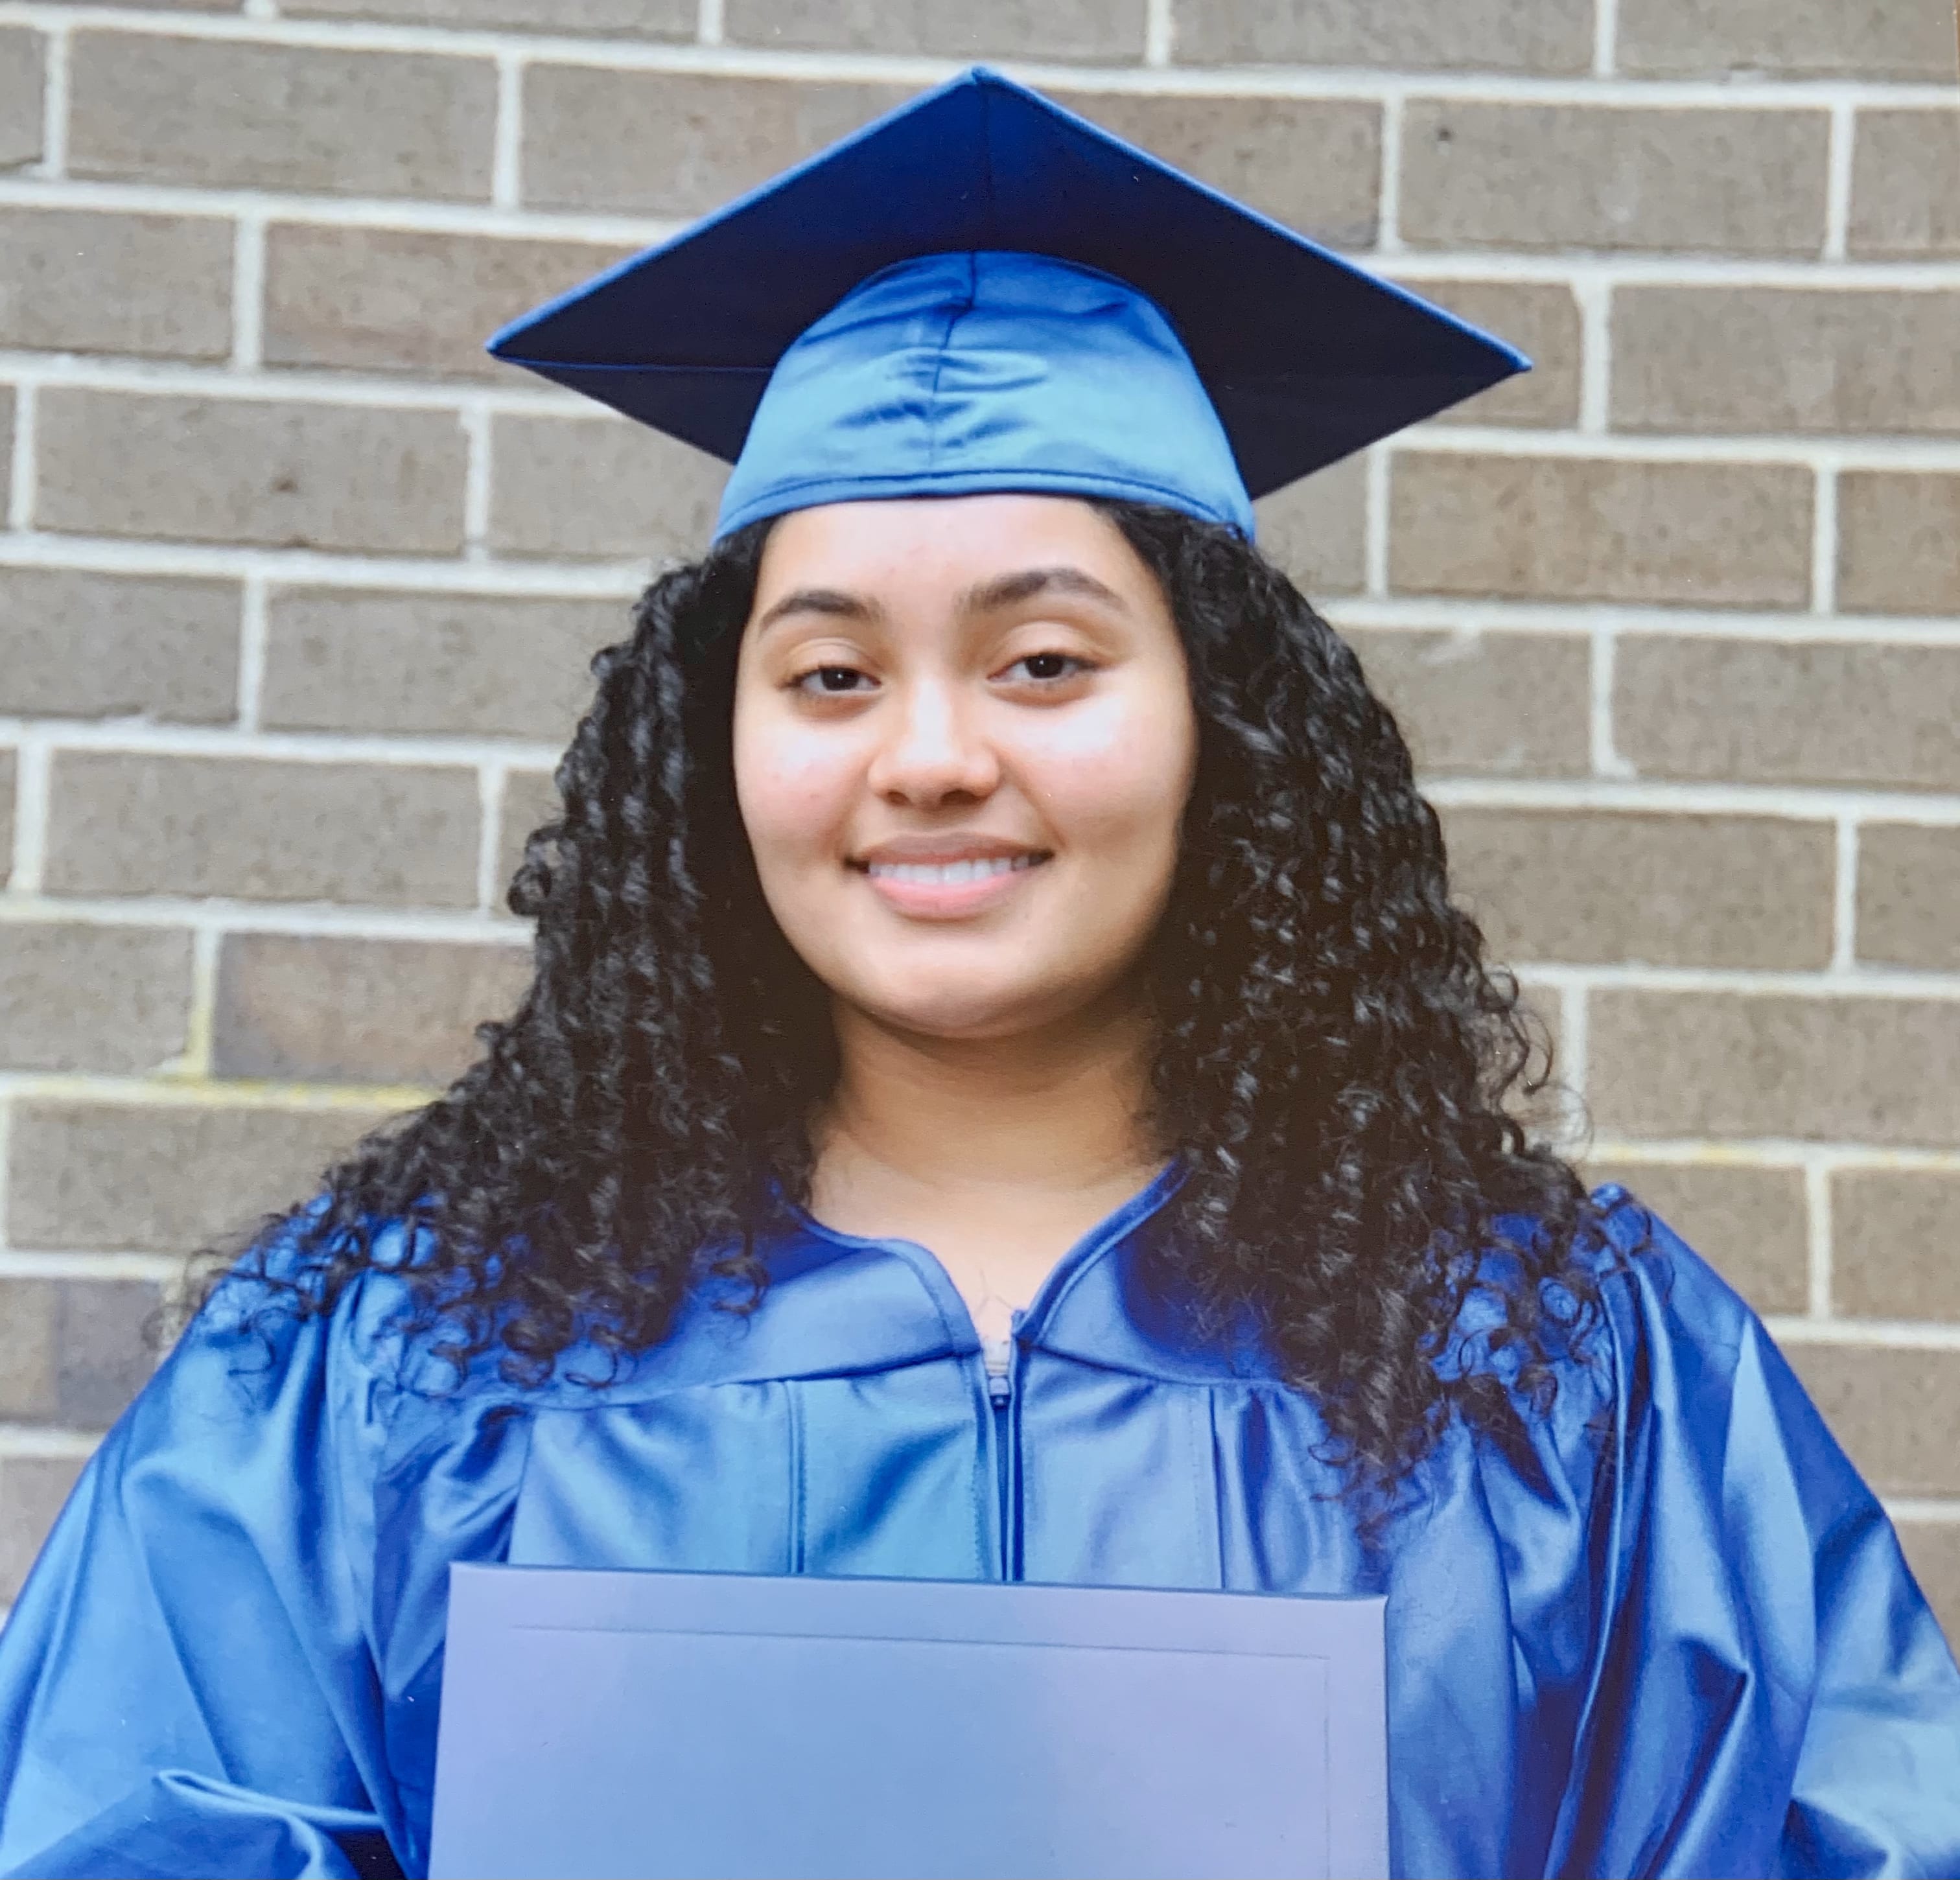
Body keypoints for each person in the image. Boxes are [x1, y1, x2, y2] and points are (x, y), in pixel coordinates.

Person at [1, 67, 1956, 1880]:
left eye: (1043, 661)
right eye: (831, 674)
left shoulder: (1556, 1371)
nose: (929, 754)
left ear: (1228, 728)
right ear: (716, 748)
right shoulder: (400, 1366)